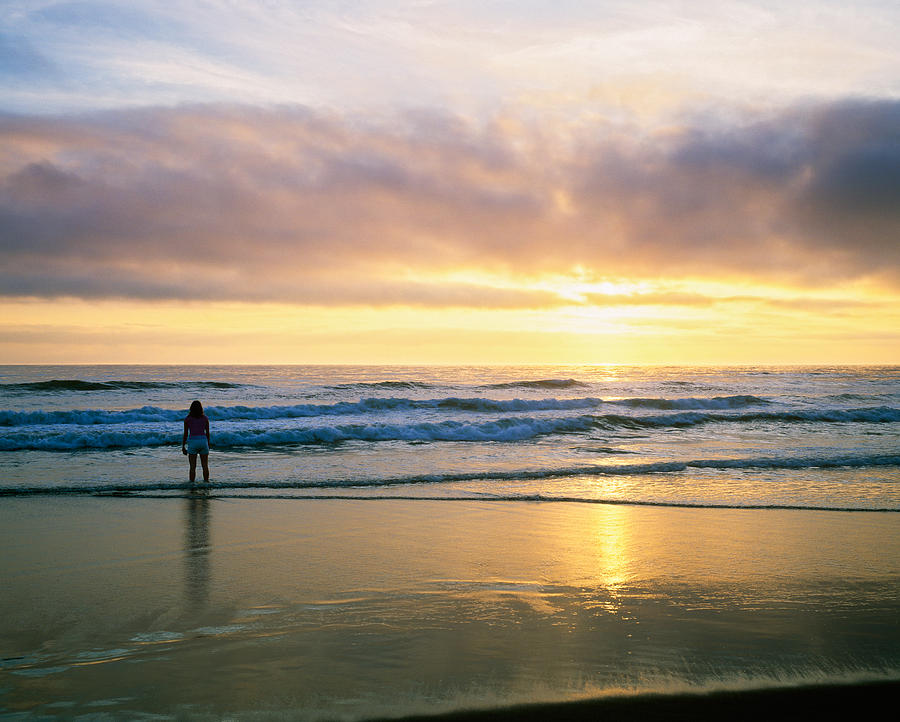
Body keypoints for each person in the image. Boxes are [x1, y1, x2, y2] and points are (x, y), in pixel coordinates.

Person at [182, 400, 211, 483]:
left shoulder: (187, 419)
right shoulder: (205, 418)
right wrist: (208, 444)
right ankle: (206, 483)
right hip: (203, 441)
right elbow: (207, 433)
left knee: (192, 467)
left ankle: (192, 484)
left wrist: (183, 446)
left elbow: (185, 434)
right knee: (205, 465)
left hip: (193, 441)